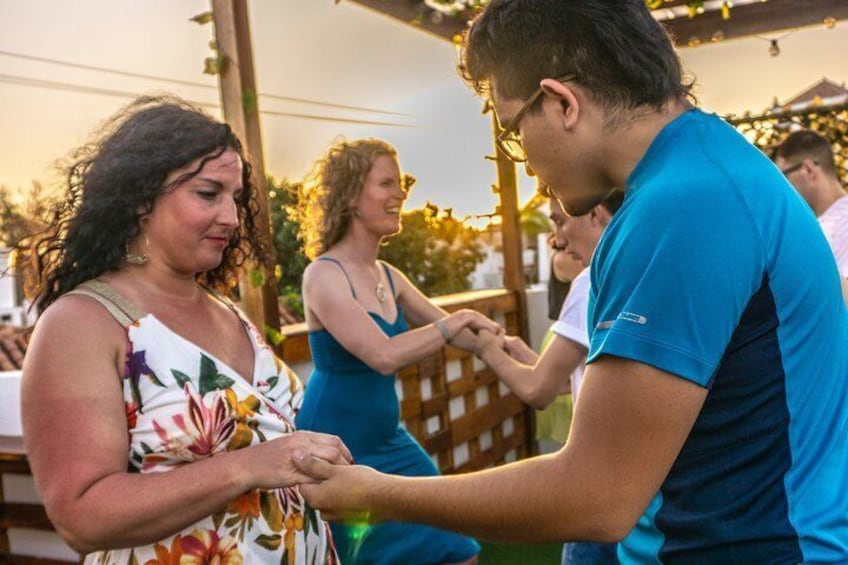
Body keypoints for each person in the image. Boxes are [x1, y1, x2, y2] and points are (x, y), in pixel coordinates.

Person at [293, 1, 848, 563]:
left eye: (512, 133)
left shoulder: (683, 207)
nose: (522, 160)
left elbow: (596, 494)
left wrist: (379, 493)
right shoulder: (708, 169)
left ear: (561, 102)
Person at [20, 96, 351, 564]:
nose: (233, 218)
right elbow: (81, 516)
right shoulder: (82, 324)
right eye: (208, 193)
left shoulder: (225, 308)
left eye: (234, 198)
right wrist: (245, 467)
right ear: (139, 198)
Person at [294, 138, 502, 564]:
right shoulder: (324, 275)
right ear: (352, 195)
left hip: (390, 440)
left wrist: (498, 340)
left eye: (401, 183)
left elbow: (454, 332)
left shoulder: (388, 275)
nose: (400, 195)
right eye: (387, 183)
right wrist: (454, 322)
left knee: (458, 547)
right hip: (337, 446)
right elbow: (383, 354)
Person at [481, 191, 623, 565]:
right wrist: (513, 347)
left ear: (595, 214)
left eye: (560, 222)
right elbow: (567, 377)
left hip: (594, 479)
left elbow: (538, 389)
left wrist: (485, 349)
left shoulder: (591, 281)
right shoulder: (635, 270)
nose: (557, 239)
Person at [773, 129, 848, 276]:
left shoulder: (833, 228)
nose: (781, 188)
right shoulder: (816, 226)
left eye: (783, 177)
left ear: (808, 170)